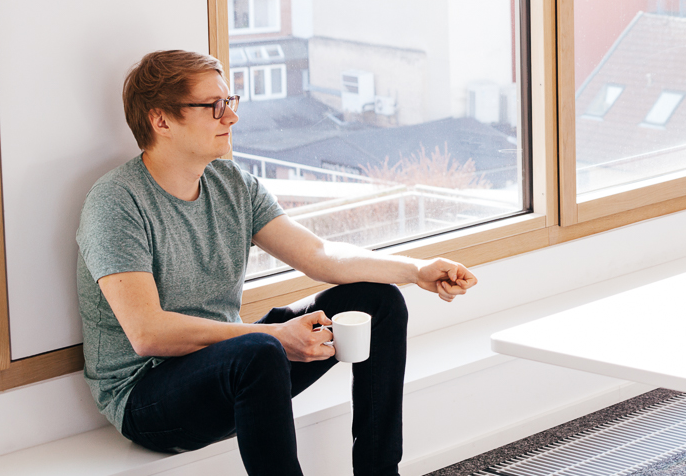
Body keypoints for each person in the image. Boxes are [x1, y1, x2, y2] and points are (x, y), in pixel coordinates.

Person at [76, 49, 479, 476]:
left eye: (229, 103)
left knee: (378, 303)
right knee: (261, 348)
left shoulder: (232, 184)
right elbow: (148, 334)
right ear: (162, 120)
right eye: (214, 107)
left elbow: (320, 256)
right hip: (149, 398)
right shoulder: (116, 203)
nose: (230, 118)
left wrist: (415, 271)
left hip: (237, 366)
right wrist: (274, 335)